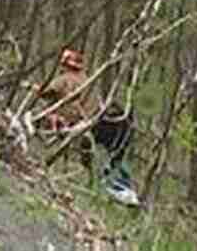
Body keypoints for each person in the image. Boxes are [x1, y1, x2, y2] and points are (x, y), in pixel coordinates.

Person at [34, 49, 139, 206]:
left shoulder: (64, 79)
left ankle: (114, 187)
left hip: (84, 123)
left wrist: (35, 89)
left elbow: (47, 92)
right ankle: (121, 188)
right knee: (114, 156)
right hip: (103, 122)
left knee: (99, 154)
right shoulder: (88, 80)